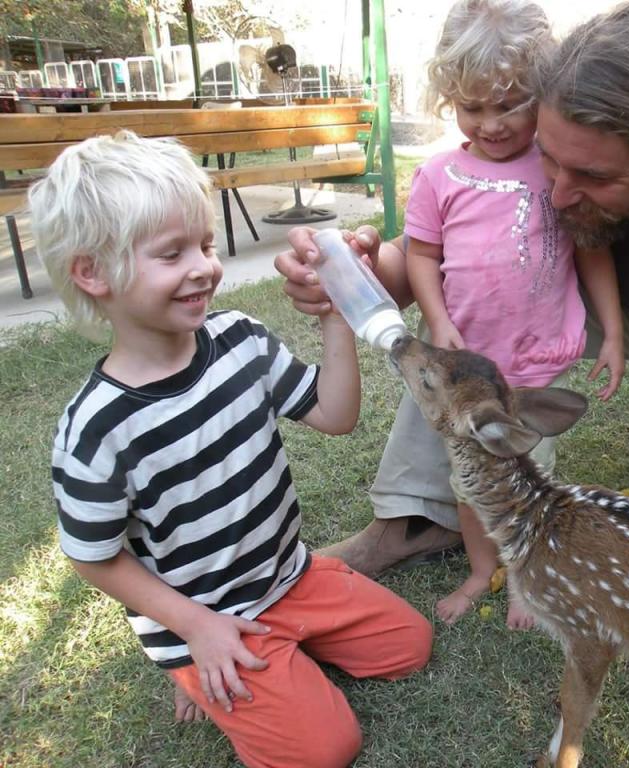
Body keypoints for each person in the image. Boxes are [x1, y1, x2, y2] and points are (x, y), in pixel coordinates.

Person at [277, 1, 629, 582]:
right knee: (460, 320)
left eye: (594, 177)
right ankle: (417, 516)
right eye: (549, 161)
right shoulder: (519, 152)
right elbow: (433, 256)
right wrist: (356, 272)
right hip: (570, 300)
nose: (555, 197)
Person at [29, 130, 432, 768]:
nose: (204, 266)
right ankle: (193, 671)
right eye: (172, 253)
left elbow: (335, 415)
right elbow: (93, 558)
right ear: (93, 273)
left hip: (288, 576)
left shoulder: (239, 339)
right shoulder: (97, 429)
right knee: (327, 748)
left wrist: (335, 314)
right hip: (207, 617)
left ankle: (279, 653)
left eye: (206, 244)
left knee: (411, 645)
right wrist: (194, 628)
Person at [402, 0, 625, 628]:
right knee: (472, 480)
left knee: (527, 476)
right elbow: (421, 255)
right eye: (473, 107)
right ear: (451, 100)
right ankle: (481, 570)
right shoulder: (438, 176)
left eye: (509, 104)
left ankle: (525, 576)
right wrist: (437, 319)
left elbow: (593, 250)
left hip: (535, 360)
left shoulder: (556, 168)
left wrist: (613, 331)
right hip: (470, 369)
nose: (491, 124)